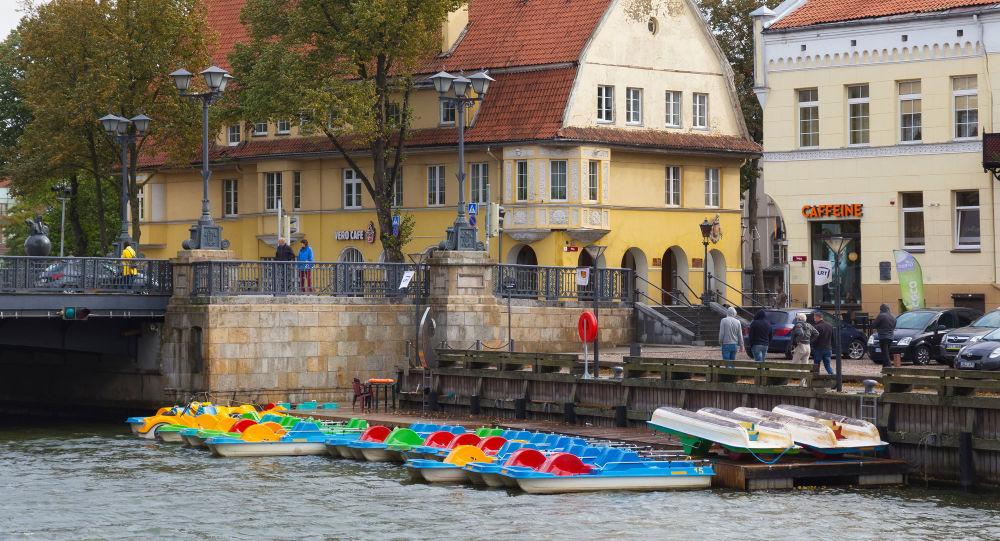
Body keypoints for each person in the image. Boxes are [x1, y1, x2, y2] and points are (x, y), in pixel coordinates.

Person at [873, 303, 897, 368]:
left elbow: (874, 325)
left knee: (885, 353)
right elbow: (894, 326)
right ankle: (884, 368)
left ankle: (889, 368)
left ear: (881, 309)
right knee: (885, 352)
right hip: (891, 337)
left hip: (883, 337)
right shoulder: (893, 317)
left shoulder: (881, 315)